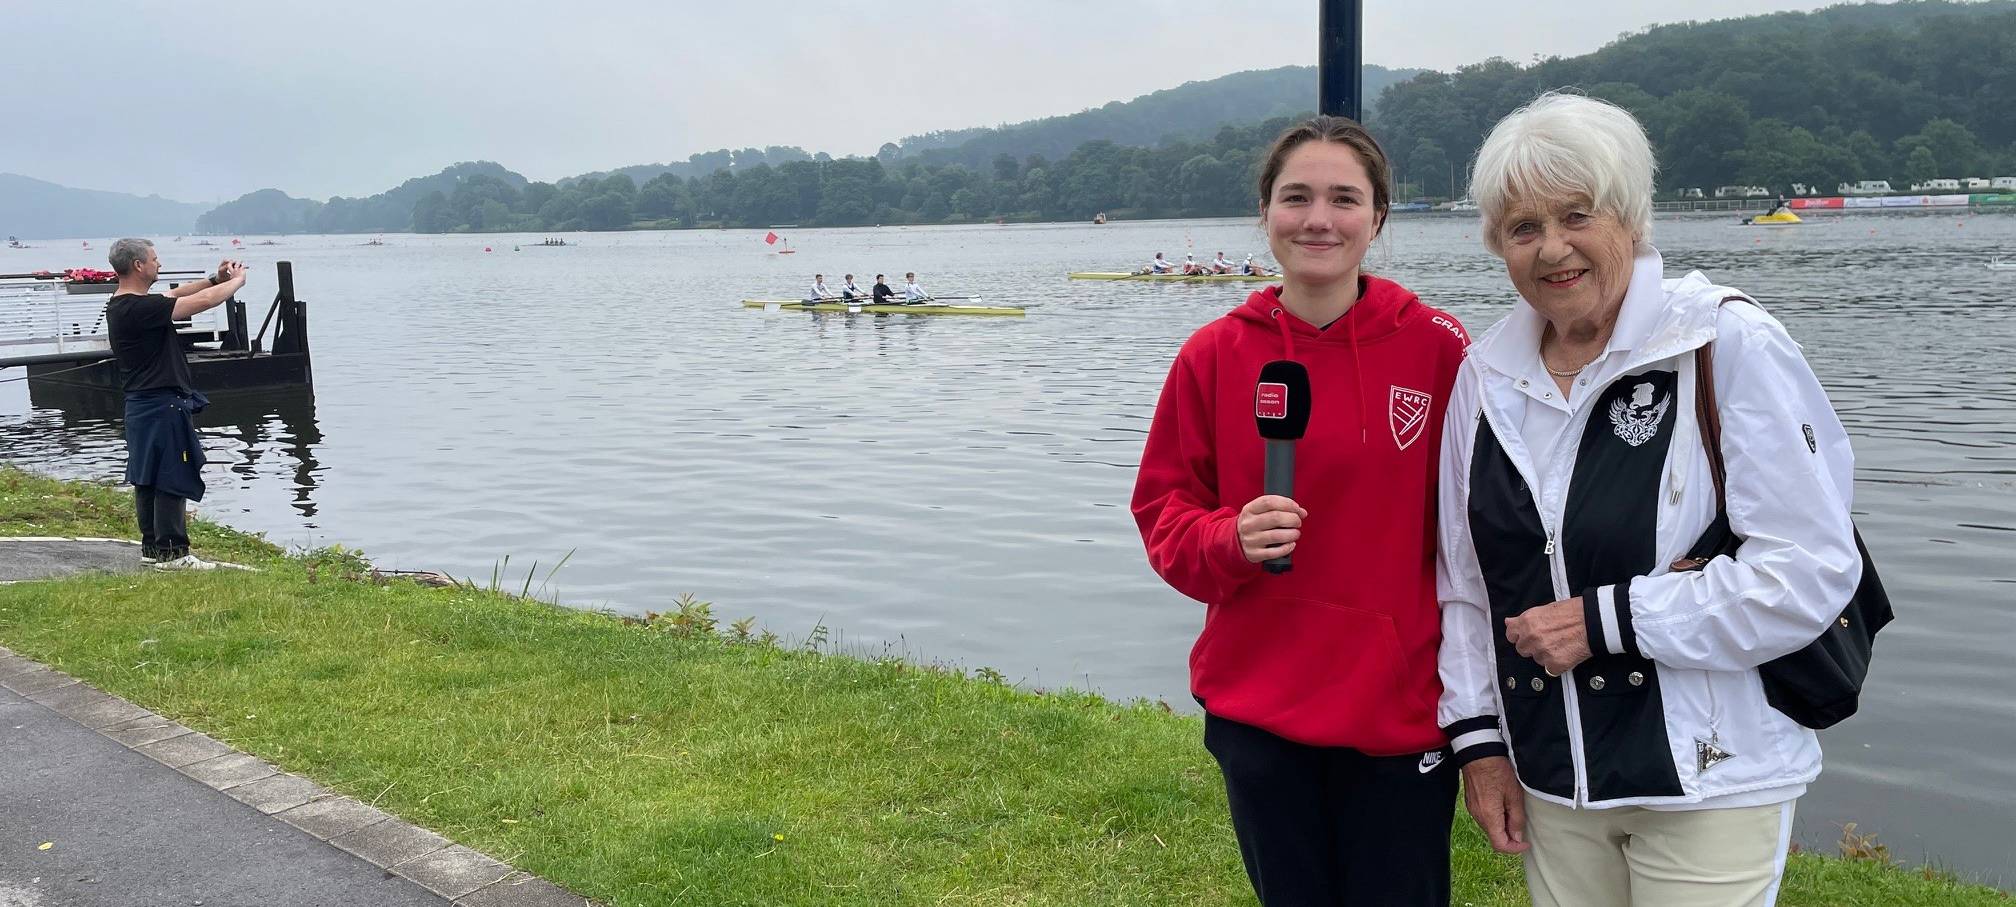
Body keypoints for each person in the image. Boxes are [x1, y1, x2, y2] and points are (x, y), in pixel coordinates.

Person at [1435, 92, 1860, 907]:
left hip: (1709, 777)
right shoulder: (1484, 378)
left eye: (1577, 215)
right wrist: (1479, 740)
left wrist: (1606, 620)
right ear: (1497, 243)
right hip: (1554, 778)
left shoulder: (1723, 340)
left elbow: (1809, 571)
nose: (1553, 247)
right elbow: (1466, 584)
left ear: (1630, 218)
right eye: (1523, 227)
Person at [1131, 116, 1470, 905]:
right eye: (1297, 197)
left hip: (1399, 711)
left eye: (1344, 198)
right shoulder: (1213, 354)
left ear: (1377, 218)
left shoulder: (1438, 346)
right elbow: (1163, 513)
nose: (1320, 219)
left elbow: (1483, 526)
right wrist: (1229, 538)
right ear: (1265, 213)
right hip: (1260, 713)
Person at [102, 239, 248, 570]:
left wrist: (215, 278)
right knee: (171, 472)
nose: (159, 264)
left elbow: (176, 294)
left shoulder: (124, 305)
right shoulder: (139, 309)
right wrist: (237, 282)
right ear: (138, 265)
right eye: (154, 259)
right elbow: (202, 302)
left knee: (147, 476)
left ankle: (153, 548)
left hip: (141, 404)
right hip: (161, 404)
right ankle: (173, 553)